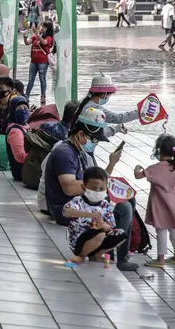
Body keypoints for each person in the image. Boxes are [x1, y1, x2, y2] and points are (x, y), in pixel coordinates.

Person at [42, 107, 137, 271]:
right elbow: (70, 188)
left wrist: (111, 164)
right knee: (124, 208)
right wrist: (99, 191)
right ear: (80, 135)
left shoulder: (78, 151)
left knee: (127, 199)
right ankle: (119, 258)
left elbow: (95, 181)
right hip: (69, 207)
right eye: (93, 139)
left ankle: (107, 250)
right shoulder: (65, 153)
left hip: (86, 203)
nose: (95, 143)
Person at [134, 134, 175, 268]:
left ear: (159, 151)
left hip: (159, 204)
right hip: (172, 203)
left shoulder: (155, 168)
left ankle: (160, 259)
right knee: (173, 228)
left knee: (161, 230)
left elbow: (138, 175)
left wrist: (137, 167)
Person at [63, 167, 127, 265]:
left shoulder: (105, 205)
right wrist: (89, 215)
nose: (97, 192)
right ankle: (81, 256)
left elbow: (110, 226)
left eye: (101, 189)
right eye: (93, 189)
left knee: (121, 234)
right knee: (99, 234)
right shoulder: (78, 201)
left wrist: (102, 225)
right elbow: (66, 212)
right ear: (84, 187)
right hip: (79, 240)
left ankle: (97, 255)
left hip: (99, 239)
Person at [74, 73, 138, 139]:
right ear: (104, 94)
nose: (108, 97)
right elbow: (117, 118)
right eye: (109, 95)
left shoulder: (84, 103)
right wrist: (139, 113)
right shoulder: (94, 109)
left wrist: (116, 128)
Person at [24, 21, 53, 105]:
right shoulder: (34, 37)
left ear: (48, 29)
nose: (42, 28)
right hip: (33, 61)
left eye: (44, 27)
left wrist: (37, 34)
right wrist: (25, 37)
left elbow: (44, 42)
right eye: (42, 26)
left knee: (42, 78)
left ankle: (43, 96)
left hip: (43, 62)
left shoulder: (49, 38)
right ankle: (27, 96)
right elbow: (27, 43)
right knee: (30, 79)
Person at [5, 96, 30, 181]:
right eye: (19, 109)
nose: (23, 111)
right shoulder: (15, 131)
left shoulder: (25, 127)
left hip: (26, 169)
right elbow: (21, 157)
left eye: (25, 108)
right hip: (21, 172)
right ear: (13, 111)